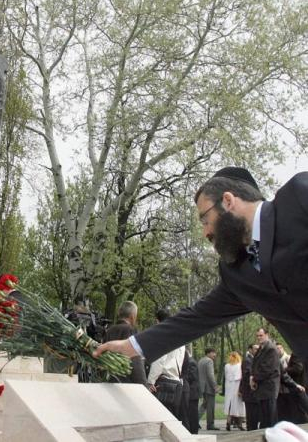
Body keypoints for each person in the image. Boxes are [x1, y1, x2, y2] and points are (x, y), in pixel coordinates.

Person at [94, 168, 308, 375]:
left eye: (205, 220)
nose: (206, 232)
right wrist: (133, 346)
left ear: (228, 201)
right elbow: (196, 318)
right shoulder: (236, 275)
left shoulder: (298, 196)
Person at [147, 309, 186, 420]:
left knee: (160, 418)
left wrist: (150, 382)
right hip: (176, 382)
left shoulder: (162, 336)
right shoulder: (180, 339)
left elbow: (159, 361)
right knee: (173, 419)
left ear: (157, 321)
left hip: (164, 384)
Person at [103, 301, 147, 384]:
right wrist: (144, 386)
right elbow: (136, 360)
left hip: (109, 381)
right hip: (127, 384)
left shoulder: (109, 331)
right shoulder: (131, 330)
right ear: (132, 316)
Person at [251, 327, 284, 428]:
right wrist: (253, 377)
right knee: (265, 419)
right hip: (263, 388)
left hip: (269, 388)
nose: (259, 338)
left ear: (267, 335)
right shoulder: (262, 348)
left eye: (261, 335)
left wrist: (254, 379)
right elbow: (256, 365)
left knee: (270, 418)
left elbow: (267, 369)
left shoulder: (271, 349)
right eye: (257, 336)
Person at [223, 351, 246, 430]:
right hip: (237, 387)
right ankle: (239, 424)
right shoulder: (240, 365)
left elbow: (226, 376)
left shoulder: (227, 366)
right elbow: (241, 377)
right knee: (239, 406)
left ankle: (228, 423)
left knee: (230, 406)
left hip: (229, 387)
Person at [241, 343, 261, 430]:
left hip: (253, 393)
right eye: (255, 349)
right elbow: (247, 374)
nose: (257, 350)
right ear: (250, 350)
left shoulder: (254, 359)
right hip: (250, 393)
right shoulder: (247, 360)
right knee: (251, 416)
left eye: (258, 349)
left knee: (255, 416)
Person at [198, 348, 218, 430]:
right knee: (210, 407)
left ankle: (194, 421)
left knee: (204, 405)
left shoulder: (200, 361)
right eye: (213, 353)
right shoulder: (209, 361)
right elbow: (210, 375)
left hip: (202, 387)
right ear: (208, 353)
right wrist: (215, 386)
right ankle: (210, 425)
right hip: (209, 387)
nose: (215, 355)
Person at [184, 349, 201, 434]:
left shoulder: (191, 362)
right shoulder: (190, 361)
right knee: (190, 413)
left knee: (193, 414)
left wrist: (182, 377)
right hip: (191, 392)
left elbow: (192, 377)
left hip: (192, 393)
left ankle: (194, 431)